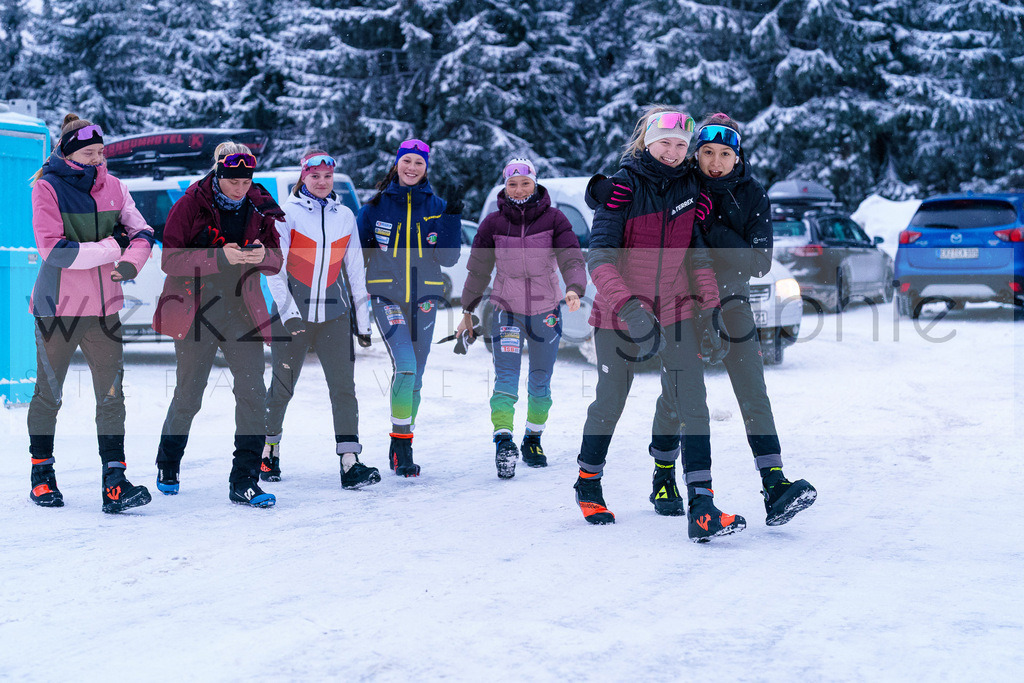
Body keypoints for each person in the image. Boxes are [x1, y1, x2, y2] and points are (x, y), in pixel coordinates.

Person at [577, 106, 745, 542]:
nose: (672, 152)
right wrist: (631, 309)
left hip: (675, 309)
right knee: (610, 400)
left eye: (680, 145)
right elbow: (599, 256)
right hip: (619, 312)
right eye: (664, 143)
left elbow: (699, 256)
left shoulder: (691, 187)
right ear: (646, 142)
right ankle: (588, 481)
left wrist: (709, 313)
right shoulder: (623, 186)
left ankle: (701, 503)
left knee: (691, 402)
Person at [688, 113, 816, 525]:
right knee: (680, 400)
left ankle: (775, 483)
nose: (715, 162)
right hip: (685, 305)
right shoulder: (682, 187)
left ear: (737, 155)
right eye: (707, 152)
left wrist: (713, 227)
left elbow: (760, 262)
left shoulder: (753, 194)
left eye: (725, 153)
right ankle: (670, 478)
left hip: (735, 304)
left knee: (753, 392)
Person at [27, 113, 155, 513]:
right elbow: (55, 251)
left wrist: (132, 262)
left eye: (101, 152)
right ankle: (41, 476)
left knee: (112, 395)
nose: (98, 160)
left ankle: (114, 483)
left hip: (105, 311)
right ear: (67, 153)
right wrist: (113, 248)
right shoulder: (46, 187)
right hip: (57, 311)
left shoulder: (115, 186)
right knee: (49, 394)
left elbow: (144, 233)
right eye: (89, 153)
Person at [152, 142, 284, 507]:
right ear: (217, 173)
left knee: (253, 394)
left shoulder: (260, 202)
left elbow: (276, 257)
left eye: (246, 180)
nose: (241, 188)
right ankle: (168, 461)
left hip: (243, 310)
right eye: (233, 181)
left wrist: (264, 257)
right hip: (198, 310)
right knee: (189, 394)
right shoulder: (191, 203)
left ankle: (245, 480)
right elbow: (169, 260)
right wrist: (217, 257)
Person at [457, 158, 587, 478]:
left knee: (540, 380)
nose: (518, 189)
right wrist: (467, 310)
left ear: (535, 183)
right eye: (512, 184)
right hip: (507, 312)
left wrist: (574, 288)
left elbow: (571, 256)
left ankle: (532, 438)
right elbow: (478, 270)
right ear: (505, 185)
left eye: (524, 183)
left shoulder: (555, 219)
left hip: (546, 313)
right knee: (506, 377)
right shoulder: (492, 224)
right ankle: (503, 441)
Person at [261, 150, 380, 490]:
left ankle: (349, 461)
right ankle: (268, 452)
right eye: (315, 176)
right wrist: (289, 314)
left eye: (328, 176)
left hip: (333, 315)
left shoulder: (345, 216)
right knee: (282, 387)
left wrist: (363, 322)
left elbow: (355, 271)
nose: (322, 182)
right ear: (304, 177)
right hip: (291, 318)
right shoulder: (286, 214)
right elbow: (275, 271)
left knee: (344, 388)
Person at [357, 139, 462, 477]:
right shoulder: (375, 206)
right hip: (386, 297)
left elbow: (448, 258)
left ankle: (402, 438)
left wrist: (453, 218)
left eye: (419, 162)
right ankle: (402, 446)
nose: (412, 168)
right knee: (405, 365)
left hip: (425, 298)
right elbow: (357, 255)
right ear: (397, 164)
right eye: (407, 162)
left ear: (426, 167)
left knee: (415, 374)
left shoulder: (437, 205)